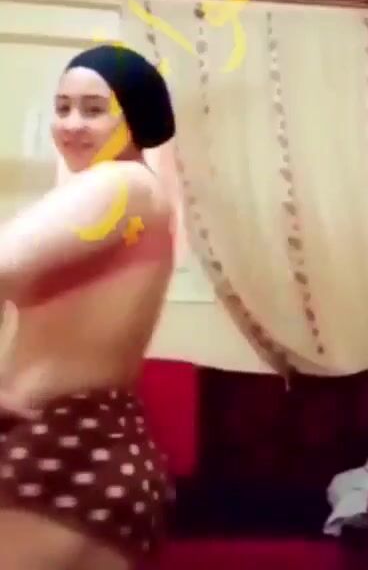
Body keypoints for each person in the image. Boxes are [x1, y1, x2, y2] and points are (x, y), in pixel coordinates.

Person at [0, 44, 177, 570]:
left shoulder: (119, 184)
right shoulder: (130, 192)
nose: (72, 124)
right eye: (62, 107)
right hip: (81, 445)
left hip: (67, 446)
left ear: (134, 116)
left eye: (94, 110)